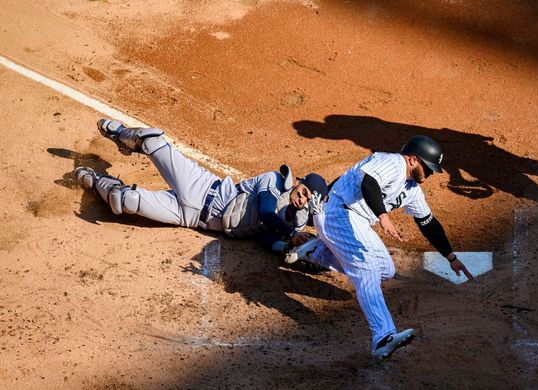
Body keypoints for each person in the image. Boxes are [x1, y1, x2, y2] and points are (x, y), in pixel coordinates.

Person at [285, 135, 473, 359]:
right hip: (338, 213)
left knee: (386, 270)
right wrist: (383, 216)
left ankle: (318, 251)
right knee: (367, 272)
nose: (431, 173)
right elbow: (369, 183)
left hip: (358, 221)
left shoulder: (412, 189)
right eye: (428, 167)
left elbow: (428, 223)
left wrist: (451, 257)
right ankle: (383, 337)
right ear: (413, 160)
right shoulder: (392, 162)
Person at [74, 119, 328, 254]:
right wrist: (291, 235)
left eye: (307, 200)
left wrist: (289, 248)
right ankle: (120, 134)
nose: (302, 200)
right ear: (299, 182)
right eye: (303, 192)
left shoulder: (293, 223)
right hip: (202, 188)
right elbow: (265, 212)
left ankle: (96, 180)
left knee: (124, 201)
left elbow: (265, 237)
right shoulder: (274, 181)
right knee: (151, 140)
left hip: (190, 218)